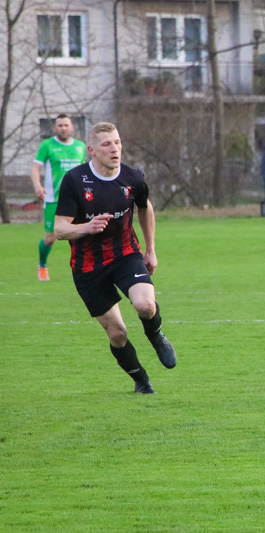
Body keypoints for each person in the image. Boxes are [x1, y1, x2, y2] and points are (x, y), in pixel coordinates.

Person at [54, 122, 177, 394]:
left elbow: (145, 209)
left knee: (145, 304)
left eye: (118, 142)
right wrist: (86, 227)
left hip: (125, 254)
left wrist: (151, 248)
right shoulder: (75, 180)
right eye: (107, 144)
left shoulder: (133, 178)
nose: (115, 149)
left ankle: (155, 334)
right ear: (92, 150)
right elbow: (59, 228)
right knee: (117, 334)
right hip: (88, 267)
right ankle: (141, 380)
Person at [30, 114, 88, 281]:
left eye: (66, 125)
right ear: (55, 128)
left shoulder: (80, 146)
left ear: (72, 128)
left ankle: (85, 268)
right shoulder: (47, 145)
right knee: (50, 238)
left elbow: (84, 171)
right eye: (60, 125)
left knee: (83, 233)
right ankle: (42, 265)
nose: (63, 128)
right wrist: (38, 186)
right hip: (53, 199)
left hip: (78, 200)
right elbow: (35, 169)